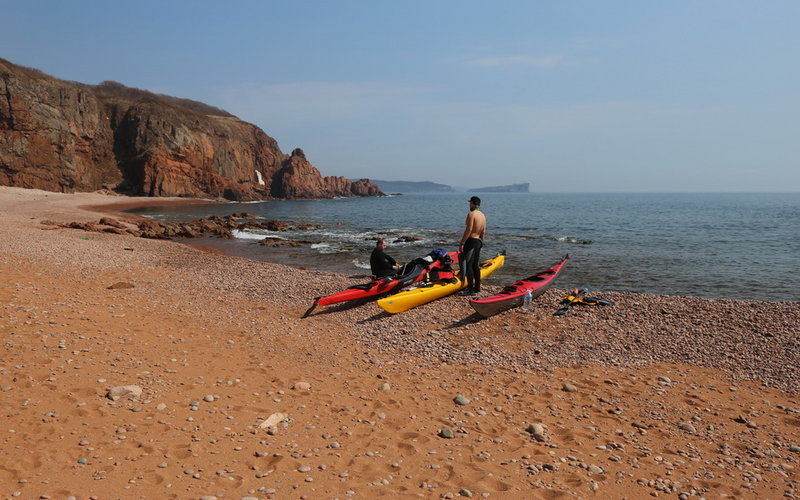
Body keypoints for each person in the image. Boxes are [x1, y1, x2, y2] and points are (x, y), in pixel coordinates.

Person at [459, 196, 486, 295]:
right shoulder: (483, 215)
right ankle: (477, 288)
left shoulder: (471, 214)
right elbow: (483, 231)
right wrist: (481, 243)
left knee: (469, 265)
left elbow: (469, 230)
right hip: (478, 241)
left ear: (473, 203)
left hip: (471, 241)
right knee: (475, 265)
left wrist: (462, 243)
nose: (469, 204)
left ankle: (470, 289)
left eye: (470, 203)